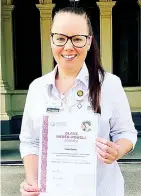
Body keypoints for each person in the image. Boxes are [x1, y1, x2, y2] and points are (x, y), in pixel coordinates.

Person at [19, 6, 137, 196]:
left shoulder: (109, 85)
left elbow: (127, 133)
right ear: (51, 40)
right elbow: (30, 141)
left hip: (102, 191)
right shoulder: (37, 88)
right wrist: (31, 182)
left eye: (77, 39)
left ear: (89, 42)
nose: (68, 47)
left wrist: (117, 150)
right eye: (60, 38)